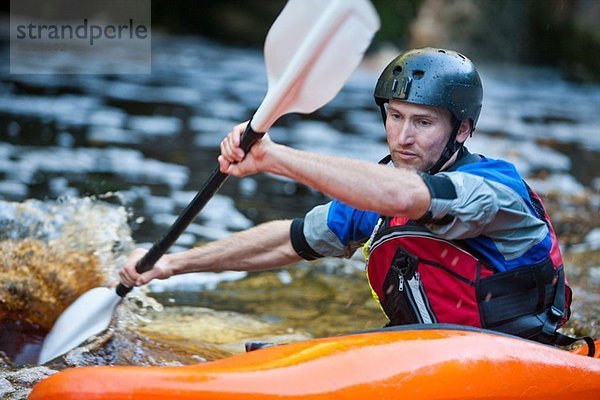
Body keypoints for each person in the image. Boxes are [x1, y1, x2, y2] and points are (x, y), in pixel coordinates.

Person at [120, 48, 574, 347]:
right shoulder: (373, 194)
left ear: (463, 130)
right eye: (395, 116)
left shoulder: (495, 192)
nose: (402, 137)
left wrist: (274, 158)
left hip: (519, 353)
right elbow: (289, 241)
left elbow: (407, 197)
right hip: (421, 352)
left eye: (423, 122)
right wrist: (171, 265)